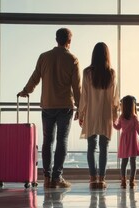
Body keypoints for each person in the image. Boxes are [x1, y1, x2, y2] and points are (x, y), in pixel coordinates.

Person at [18, 28, 81, 189]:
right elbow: (77, 87)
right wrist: (80, 107)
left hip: (47, 105)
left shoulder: (44, 57)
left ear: (56, 39)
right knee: (62, 141)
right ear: (69, 41)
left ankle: (46, 177)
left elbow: (35, 77)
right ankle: (57, 177)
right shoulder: (72, 59)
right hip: (65, 106)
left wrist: (26, 90)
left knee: (48, 141)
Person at [77, 42, 119, 189]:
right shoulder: (111, 73)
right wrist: (115, 115)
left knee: (91, 147)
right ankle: (102, 180)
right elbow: (115, 97)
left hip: (91, 114)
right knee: (104, 148)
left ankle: (92, 178)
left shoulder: (87, 72)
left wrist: (81, 113)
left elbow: (85, 96)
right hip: (106, 115)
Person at [113, 95, 139, 188]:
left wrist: (113, 121)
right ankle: (131, 181)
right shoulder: (134, 117)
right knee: (133, 162)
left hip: (124, 141)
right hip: (132, 141)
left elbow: (117, 127)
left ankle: (123, 181)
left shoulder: (121, 117)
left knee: (124, 162)